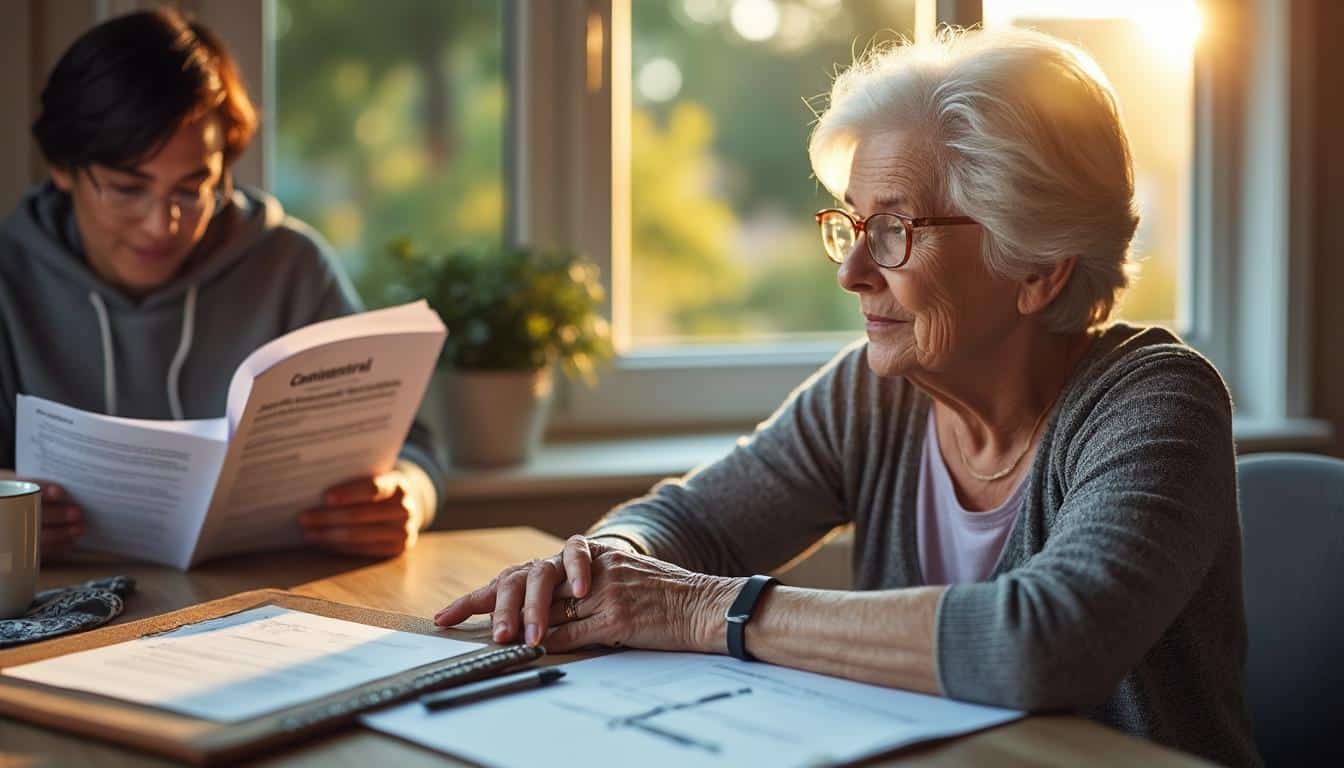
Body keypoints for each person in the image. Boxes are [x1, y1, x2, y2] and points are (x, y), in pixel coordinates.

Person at [434, 27, 1258, 766]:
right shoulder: (874, 397)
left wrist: (706, 611)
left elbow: (1047, 643)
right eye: (852, 225)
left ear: (1038, 267)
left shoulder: (1157, 401)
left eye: (896, 230)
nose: (852, 272)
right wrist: (603, 562)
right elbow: (694, 522)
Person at [0, 9, 445, 561]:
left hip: (269, 593)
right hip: (59, 600)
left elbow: (414, 449)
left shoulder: (292, 268)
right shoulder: (10, 279)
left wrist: (406, 497)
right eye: (127, 189)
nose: (162, 224)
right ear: (62, 167)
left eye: (193, 189)